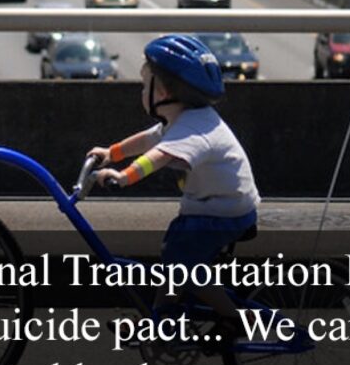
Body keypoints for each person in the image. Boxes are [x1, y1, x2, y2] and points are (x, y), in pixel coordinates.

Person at [89, 35, 259, 333]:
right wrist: (111, 153)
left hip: (224, 213)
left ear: (163, 91)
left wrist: (123, 177)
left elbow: (158, 156)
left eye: (145, 86)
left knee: (183, 267)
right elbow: (148, 139)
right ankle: (162, 317)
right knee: (174, 257)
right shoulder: (183, 119)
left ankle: (233, 319)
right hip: (211, 208)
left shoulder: (195, 128)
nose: (142, 92)